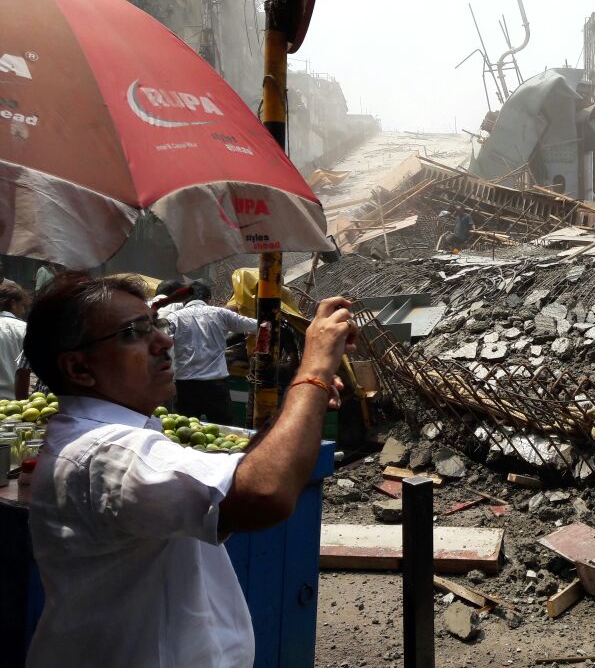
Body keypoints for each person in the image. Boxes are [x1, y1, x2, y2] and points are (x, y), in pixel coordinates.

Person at [24, 273, 356, 667]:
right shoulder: (108, 454)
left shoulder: (100, 441)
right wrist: (313, 371)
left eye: (156, 325)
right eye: (134, 332)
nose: (164, 342)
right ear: (79, 368)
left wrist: (292, 407)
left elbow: (241, 473)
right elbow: (264, 492)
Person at [164, 280, 257, 424]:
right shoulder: (221, 313)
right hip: (216, 386)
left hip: (185, 387)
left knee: (183, 432)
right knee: (224, 431)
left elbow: (160, 341)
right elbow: (256, 325)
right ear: (208, 299)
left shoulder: (174, 318)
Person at [0, 280, 30, 399]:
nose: (23, 311)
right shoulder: (23, 329)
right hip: (13, 404)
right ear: (13, 303)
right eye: (22, 305)